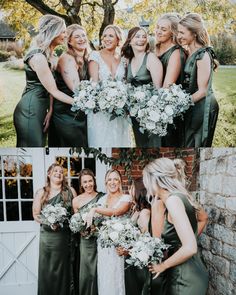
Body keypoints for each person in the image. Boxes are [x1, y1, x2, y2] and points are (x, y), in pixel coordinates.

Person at [143, 157, 209, 295]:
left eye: (146, 180)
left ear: (155, 180)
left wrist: (162, 266)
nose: (146, 186)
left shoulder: (173, 200)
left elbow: (190, 247)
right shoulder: (180, 197)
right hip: (191, 270)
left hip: (184, 278)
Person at [14, 15, 74, 147]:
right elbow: (54, 90)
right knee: (32, 147)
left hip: (42, 107)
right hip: (31, 109)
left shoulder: (50, 51)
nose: (66, 35)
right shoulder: (38, 57)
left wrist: (51, 109)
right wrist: (80, 102)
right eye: (63, 31)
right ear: (53, 32)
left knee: (40, 145)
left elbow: (49, 85)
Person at [32, 163, 77, 295]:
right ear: (49, 174)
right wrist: (49, 221)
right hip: (47, 239)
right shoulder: (41, 192)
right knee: (47, 271)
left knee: (64, 271)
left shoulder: (70, 191)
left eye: (61, 172)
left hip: (64, 238)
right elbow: (36, 215)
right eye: (55, 171)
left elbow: (75, 214)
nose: (58, 173)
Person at [86, 169, 132, 295]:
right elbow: (99, 222)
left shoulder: (126, 198)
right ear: (106, 182)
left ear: (120, 182)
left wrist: (94, 209)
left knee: (117, 277)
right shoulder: (102, 200)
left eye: (116, 179)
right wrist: (92, 226)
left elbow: (116, 212)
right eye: (110, 179)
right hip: (104, 246)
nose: (113, 182)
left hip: (119, 246)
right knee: (105, 277)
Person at [178, 13, 219, 147]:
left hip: (203, 106)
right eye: (178, 32)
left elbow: (202, 91)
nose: (179, 36)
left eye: (182, 33)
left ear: (194, 33)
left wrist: (179, 105)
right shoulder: (187, 51)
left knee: (196, 144)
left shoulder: (202, 55)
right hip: (192, 104)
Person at [88, 25, 132, 147]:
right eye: (105, 36)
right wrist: (105, 100)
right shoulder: (95, 56)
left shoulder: (123, 58)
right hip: (100, 110)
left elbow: (126, 83)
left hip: (119, 110)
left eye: (111, 36)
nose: (106, 39)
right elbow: (94, 84)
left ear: (118, 39)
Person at [121, 26, 163, 147]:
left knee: (152, 145)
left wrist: (150, 111)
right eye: (137, 36)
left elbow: (159, 90)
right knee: (140, 144)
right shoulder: (129, 60)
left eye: (144, 36)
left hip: (151, 114)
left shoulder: (151, 58)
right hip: (135, 113)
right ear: (129, 41)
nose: (141, 39)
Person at [49, 24, 89, 147]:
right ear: (69, 42)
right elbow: (77, 89)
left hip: (80, 109)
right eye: (77, 37)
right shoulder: (67, 58)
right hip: (67, 112)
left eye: (83, 35)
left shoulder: (87, 57)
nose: (82, 39)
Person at [155, 13, 186, 146]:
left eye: (163, 29)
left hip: (167, 108)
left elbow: (167, 87)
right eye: (157, 27)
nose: (158, 31)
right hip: (152, 105)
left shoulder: (176, 52)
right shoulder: (154, 48)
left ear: (172, 32)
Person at [72, 169, 103, 295]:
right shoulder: (76, 201)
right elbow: (77, 221)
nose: (88, 184)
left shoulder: (102, 197)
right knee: (86, 272)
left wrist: (97, 228)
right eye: (85, 182)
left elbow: (106, 218)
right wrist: (81, 231)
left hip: (100, 239)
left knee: (99, 270)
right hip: (85, 241)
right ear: (81, 184)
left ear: (94, 181)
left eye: (90, 181)